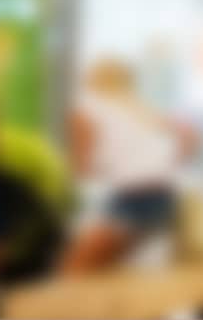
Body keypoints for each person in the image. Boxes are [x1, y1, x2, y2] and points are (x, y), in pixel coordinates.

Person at [59, 58, 192, 277]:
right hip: (164, 197)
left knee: (72, 274)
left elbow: (81, 169)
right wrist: (169, 163)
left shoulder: (85, 107)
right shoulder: (141, 108)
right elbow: (189, 135)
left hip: (131, 199)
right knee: (112, 274)